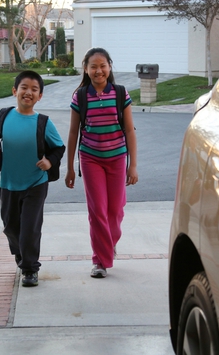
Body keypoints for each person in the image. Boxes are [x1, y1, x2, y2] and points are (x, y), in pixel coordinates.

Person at [0, 70, 65, 287]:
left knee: (30, 227)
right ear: (15, 91)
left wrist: (49, 161)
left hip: (35, 183)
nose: (28, 92)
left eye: (34, 89)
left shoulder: (43, 122)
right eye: (24, 87)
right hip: (9, 184)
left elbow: (59, 147)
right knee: (11, 227)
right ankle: (22, 256)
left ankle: (30, 269)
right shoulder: (3, 116)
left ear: (40, 96)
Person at [65, 48, 138, 278]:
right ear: (86, 69)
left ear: (109, 66)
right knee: (97, 211)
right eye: (93, 66)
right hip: (90, 159)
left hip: (117, 159)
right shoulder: (81, 96)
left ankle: (108, 243)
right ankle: (100, 261)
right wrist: (69, 167)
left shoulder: (120, 93)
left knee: (115, 211)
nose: (99, 70)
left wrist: (132, 165)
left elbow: (129, 130)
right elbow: (73, 132)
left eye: (103, 65)